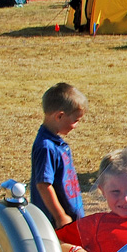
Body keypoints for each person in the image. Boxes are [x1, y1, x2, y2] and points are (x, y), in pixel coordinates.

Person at [31, 82, 87, 229]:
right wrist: (60, 215)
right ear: (60, 116)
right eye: (75, 120)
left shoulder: (55, 143)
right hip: (54, 224)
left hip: (70, 219)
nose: (76, 125)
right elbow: (44, 185)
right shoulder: (46, 147)